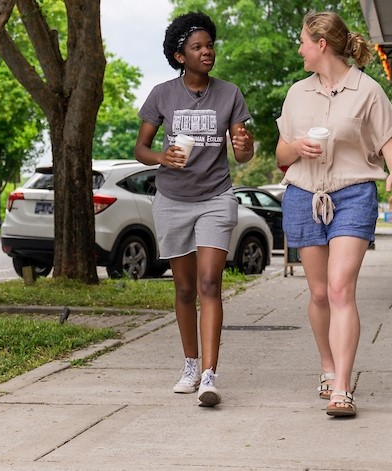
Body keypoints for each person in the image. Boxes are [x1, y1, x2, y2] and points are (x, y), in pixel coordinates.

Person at [274, 11, 392, 418]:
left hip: (353, 195)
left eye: (302, 42)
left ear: (321, 45)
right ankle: (328, 368)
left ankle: (343, 389)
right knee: (317, 293)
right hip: (303, 196)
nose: (298, 49)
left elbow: (390, 145)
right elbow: (280, 155)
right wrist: (297, 147)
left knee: (338, 290)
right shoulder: (297, 93)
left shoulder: (367, 90)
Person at [134, 11, 255, 407]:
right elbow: (141, 149)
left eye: (209, 45)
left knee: (209, 284)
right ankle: (189, 365)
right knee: (184, 288)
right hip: (172, 200)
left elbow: (244, 152)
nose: (207, 52)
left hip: (216, 197)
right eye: (197, 47)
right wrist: (161, 159)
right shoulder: (161, 94)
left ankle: (209, 375)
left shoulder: (229, 93)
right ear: (179, 55)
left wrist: (243, 146)